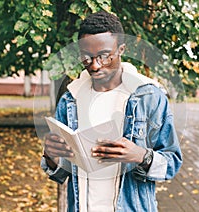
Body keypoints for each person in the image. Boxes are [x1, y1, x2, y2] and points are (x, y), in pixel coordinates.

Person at [41, 10, 182, 212]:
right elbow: (61, 174)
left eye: (104, 56)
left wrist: (141, 156)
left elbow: (172, 163)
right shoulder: (70, 99)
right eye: (86, 57)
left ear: (121, 49)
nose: (95, 65)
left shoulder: (149, 97)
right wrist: (51, 157)